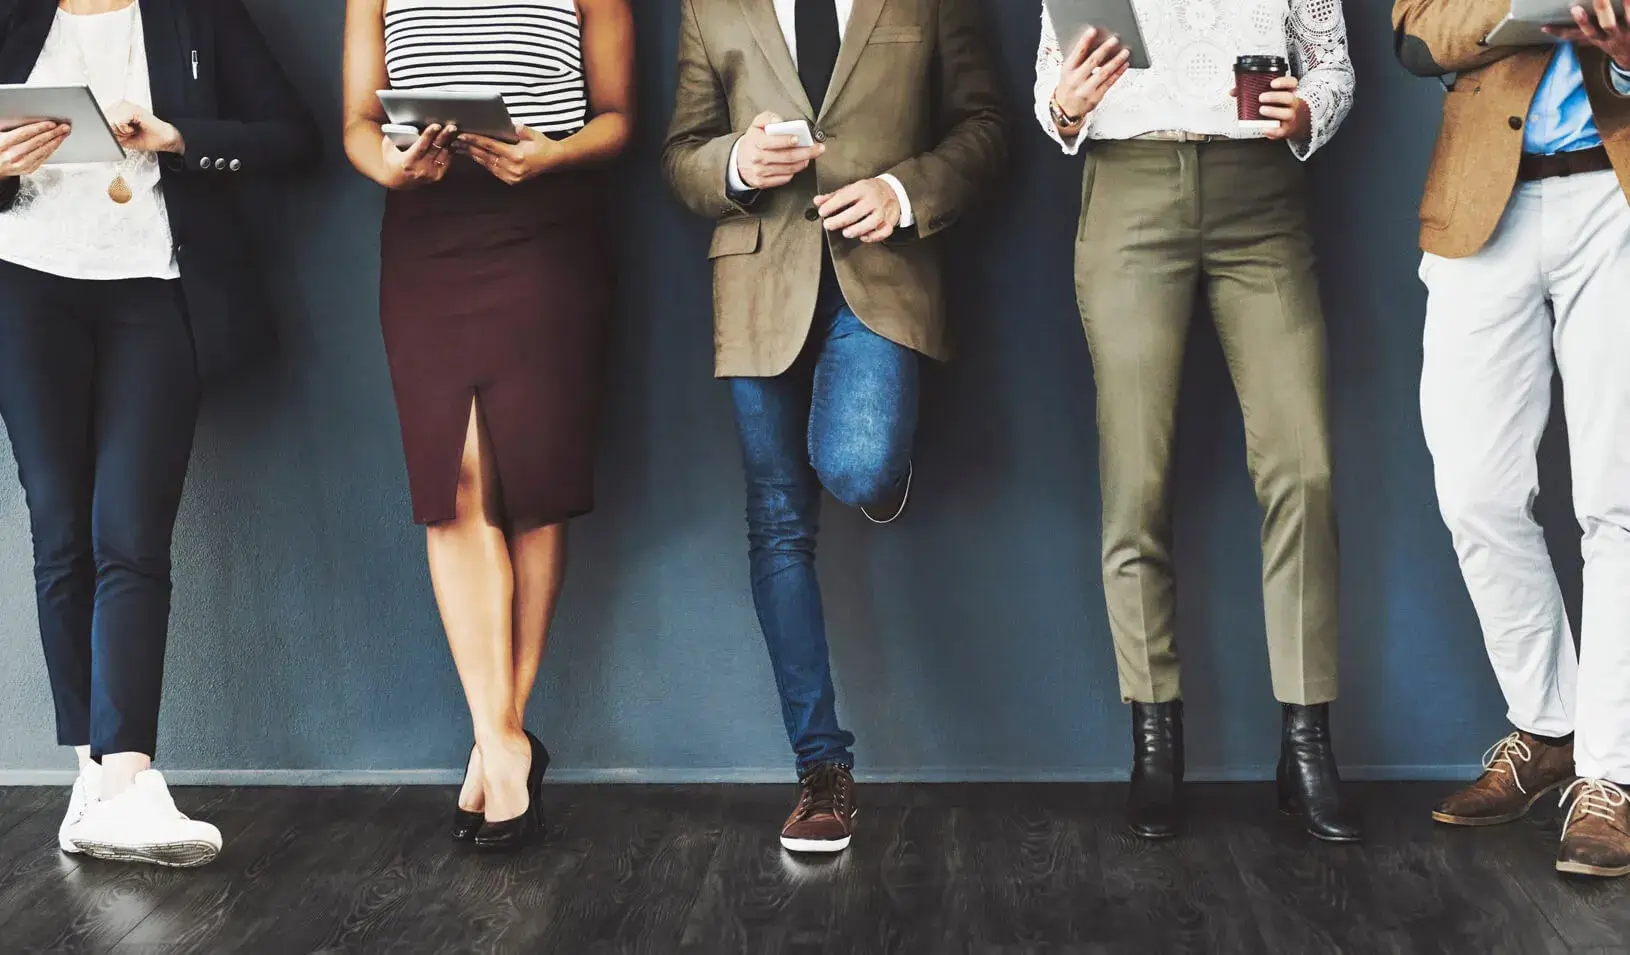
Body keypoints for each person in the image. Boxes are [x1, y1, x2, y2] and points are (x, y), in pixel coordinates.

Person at [663, 0, 1004, 853]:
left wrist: (902, 191)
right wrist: (735, 163)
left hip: (882, 270)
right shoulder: (710, 5)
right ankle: (823, 771)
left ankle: (886, 473)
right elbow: (680, 154)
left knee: (858, 466)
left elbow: (987, 124)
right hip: (755, 283)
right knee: (778, 523)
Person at [0, 0, 318, 866]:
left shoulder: (197, 13)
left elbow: (294, 138)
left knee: (131, 537)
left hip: (154, 289)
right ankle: (95, 779)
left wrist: (177, 137)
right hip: (24, 292)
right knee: (60, 528)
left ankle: (130, 778)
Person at [1034, 1, 1360, 842]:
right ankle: (1155, 742)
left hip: (1263, 199)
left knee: (1304, 467)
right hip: (1130, 193)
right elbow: (1052, 95)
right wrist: (1067, 104)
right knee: (1136, 479)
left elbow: (1334, 68)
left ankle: (1307, 745)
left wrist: (1308, 111)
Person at [342, 0, 633, 852]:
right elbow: (360, 122)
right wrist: (390, 169)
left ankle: (496, 743)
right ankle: (505, 742)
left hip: (548, 229)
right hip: (427, 234)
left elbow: (617, 118)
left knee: (532, 485)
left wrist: (551, 153)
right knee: (454, 485)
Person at [1394, 0, 1630, 879]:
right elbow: (1414, 32)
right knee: (1475, 490)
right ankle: (1551, 727)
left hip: (1617, 196)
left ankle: (1612, 777)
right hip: (1480, 198)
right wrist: (1529, 12)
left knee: (1618, 498)